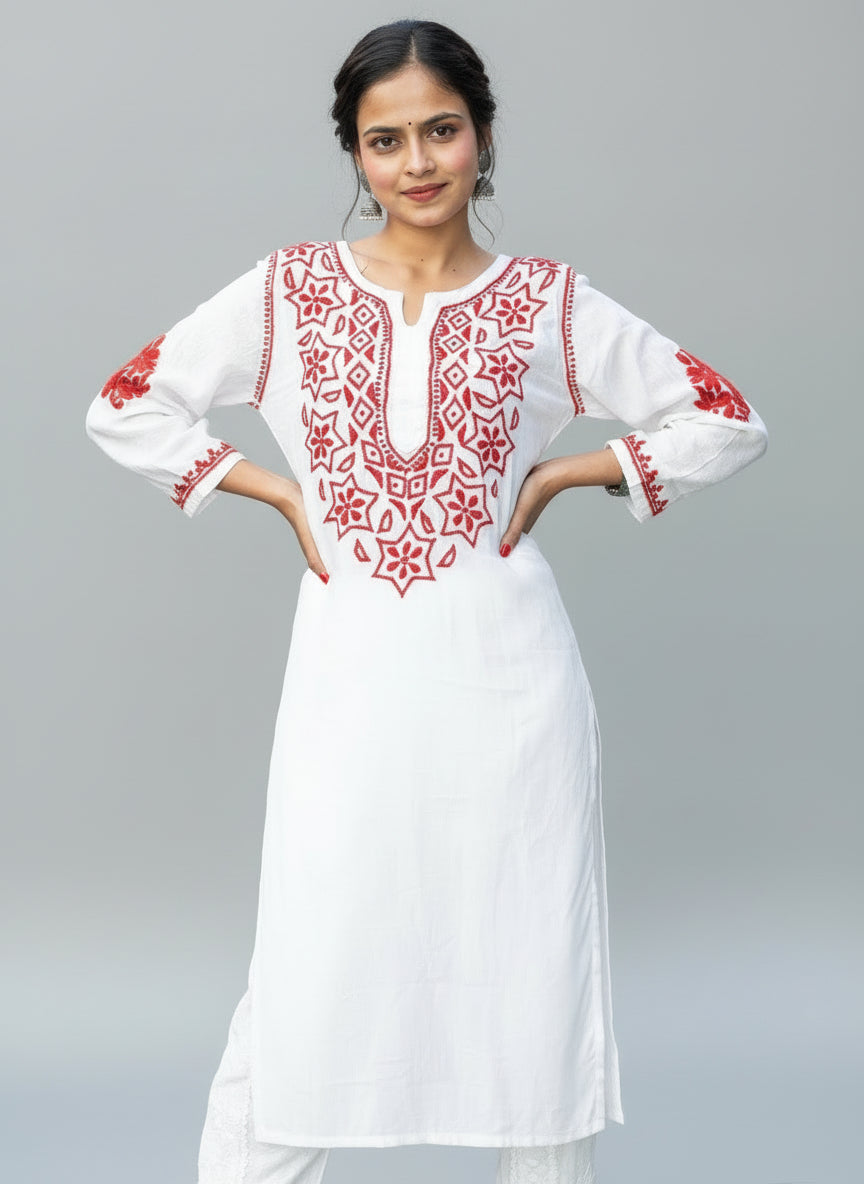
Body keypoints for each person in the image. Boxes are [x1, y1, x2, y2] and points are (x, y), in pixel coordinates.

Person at [84, 18, 768, 1184]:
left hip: (510, 693)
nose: (416, 162)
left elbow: (726, 417)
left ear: (483, 136)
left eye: (440, 130)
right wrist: (272, 488)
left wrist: (576, 469)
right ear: (355, 152)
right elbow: (126, 402)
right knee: (306, 976)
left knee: (532, 977)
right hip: (349, 689)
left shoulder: (545, 303)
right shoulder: (292, 292)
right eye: (385, 139)